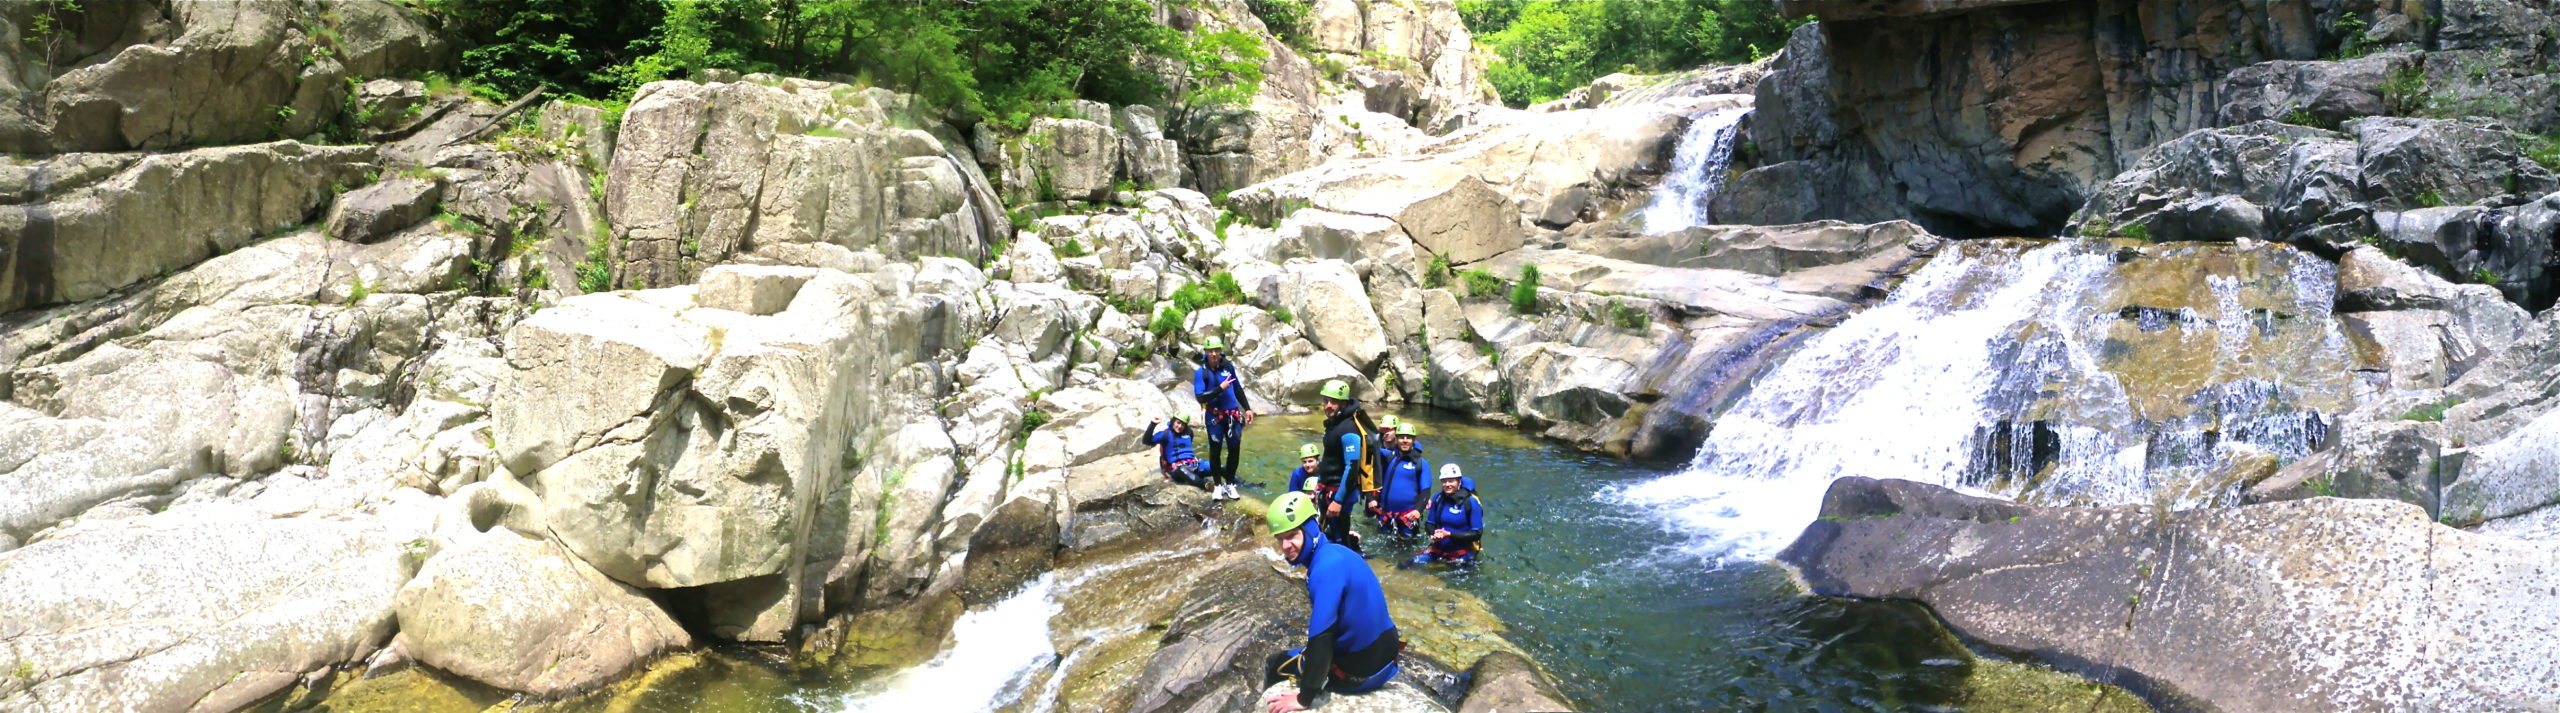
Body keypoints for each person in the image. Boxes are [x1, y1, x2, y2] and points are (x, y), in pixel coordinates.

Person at [1261, 492, 1403, 713]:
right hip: (1388, 659)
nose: (1285, 546)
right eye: (1279, 539)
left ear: (1310, 529)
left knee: (1274, 663)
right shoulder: (1339, 552)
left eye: (1291, 536)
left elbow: (1321, 638)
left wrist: (1304, 698)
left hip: (1360, 675)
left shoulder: (1323, 570)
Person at [1312, 379, 1377, 553]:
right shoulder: (1335, 425)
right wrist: (1319, 483)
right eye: (1325, 401)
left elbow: (1352, 467)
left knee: (1340, 534)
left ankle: (1351, 563)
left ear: (1343, 403)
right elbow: (1329, 459)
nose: (1328, 406)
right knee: (1330, 532)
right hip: (1328, 489)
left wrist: (1338, 501)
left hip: (1340, 493)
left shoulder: (1349, 429)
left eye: (1333, 402)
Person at [1192, 336, 1256, 501]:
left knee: (1234, 450)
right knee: (1215, 450)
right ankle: (1218, 485)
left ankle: (1230, 483)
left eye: (1216, 350)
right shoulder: (1201, 373)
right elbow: (1200, 397)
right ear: (1206, 352)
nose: (1214, 354)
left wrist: (1247, 408)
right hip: (1214, 416)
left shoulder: (1228, 367)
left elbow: (1237, 387)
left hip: (1232, 415)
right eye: (1210, 351)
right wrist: (1220, 388)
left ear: (1220, 351)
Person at [1411, 463, 1484, 567]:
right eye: (1444, 481)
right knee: (1407, 564)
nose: (1447, 484)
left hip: (1462, 556)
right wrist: (1434, 533)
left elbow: (1477, 533)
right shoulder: (1438, 498)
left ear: (1459, 482)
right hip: (1438, 551)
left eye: (1451, 481)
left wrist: (1449, 535)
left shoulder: (1471, 502)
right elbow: (1429, 524)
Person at [1373, 422, 1431, 538]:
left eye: (1408, 438)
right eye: (1401, 437)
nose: (1405, 440)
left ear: (1413, 440)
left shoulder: (1421, 463)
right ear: (1396, 439)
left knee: (1406, 551)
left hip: (1408, 517)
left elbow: (1425, 491)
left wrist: (1418, 510)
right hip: (1386, 515)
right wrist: (1380, 434)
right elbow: (1371, 446)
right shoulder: (1389, 457)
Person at [1144, 415, 1209, 491]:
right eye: (1178, 423)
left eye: (1183, 424)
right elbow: (1146, 441)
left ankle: (1225, 484)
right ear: (1173, 422)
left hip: (1192, 464)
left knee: (1216, 466)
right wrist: (1153, 424)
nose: (1180, 426)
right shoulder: (1165, 434)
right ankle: (1206, 485)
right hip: (1175, 469)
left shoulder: (1189, 432)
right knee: (1181, 469)